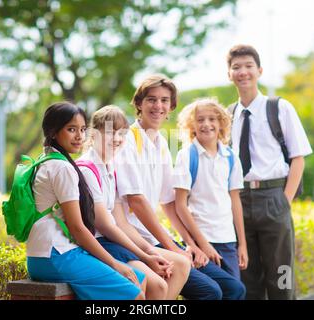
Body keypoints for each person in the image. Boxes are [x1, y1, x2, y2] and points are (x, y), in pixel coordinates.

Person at [115, 74, 246, 300]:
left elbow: (169, 203)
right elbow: (137, 202)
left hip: (158, 238)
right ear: (139, 103)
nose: (158, 106)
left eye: (164, 100)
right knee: (210, 292)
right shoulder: (127, 140)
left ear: (171, 106)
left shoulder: (163, 144)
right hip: (134, 239)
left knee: (233, 289)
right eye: (151, 100)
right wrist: (174, 248)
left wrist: (190, 244)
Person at [25, 101, 146, 300]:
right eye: (71, 129)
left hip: (43, 255)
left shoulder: (46, 160)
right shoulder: (62, 168)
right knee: (136, 296)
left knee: (140, 279)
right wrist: (114, 264)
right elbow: (77, 228)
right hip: (57, 255)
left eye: (82, 129)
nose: (79, 136)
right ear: (53, 132)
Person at [227, 44, 313, 299]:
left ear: (259, 70)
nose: (243, 72)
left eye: (248, 66)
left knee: (282, 274)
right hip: (239, 201)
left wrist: (284, 201)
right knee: (247, 276)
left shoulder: (279, 107)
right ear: (229, 74)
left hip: (273, 196)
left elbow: (298, 158)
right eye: (236, 67)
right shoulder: (227, 115)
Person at [78, 105, 179, 300]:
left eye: (121, 133)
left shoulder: (110, 167)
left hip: (112, 241)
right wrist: (145, 256)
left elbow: (120, 222)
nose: (117, 139)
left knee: (165, 278)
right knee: (156, 284)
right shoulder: (86, 169)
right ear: (93, 134)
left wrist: (149, 251)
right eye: (110, 133)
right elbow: (106, 226)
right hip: (98, 243)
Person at [174, 97, 248, 282]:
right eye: (200, 120)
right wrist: (202, 244)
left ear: (221, 123)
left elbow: (235, 201)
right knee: (217, 292)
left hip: (228, 240)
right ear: (192, 125)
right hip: (201, 239)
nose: (206, 124)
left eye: (212, 119)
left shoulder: (231, 157)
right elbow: (180, 205)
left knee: (235, 292)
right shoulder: (187, 156)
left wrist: (242, 244)